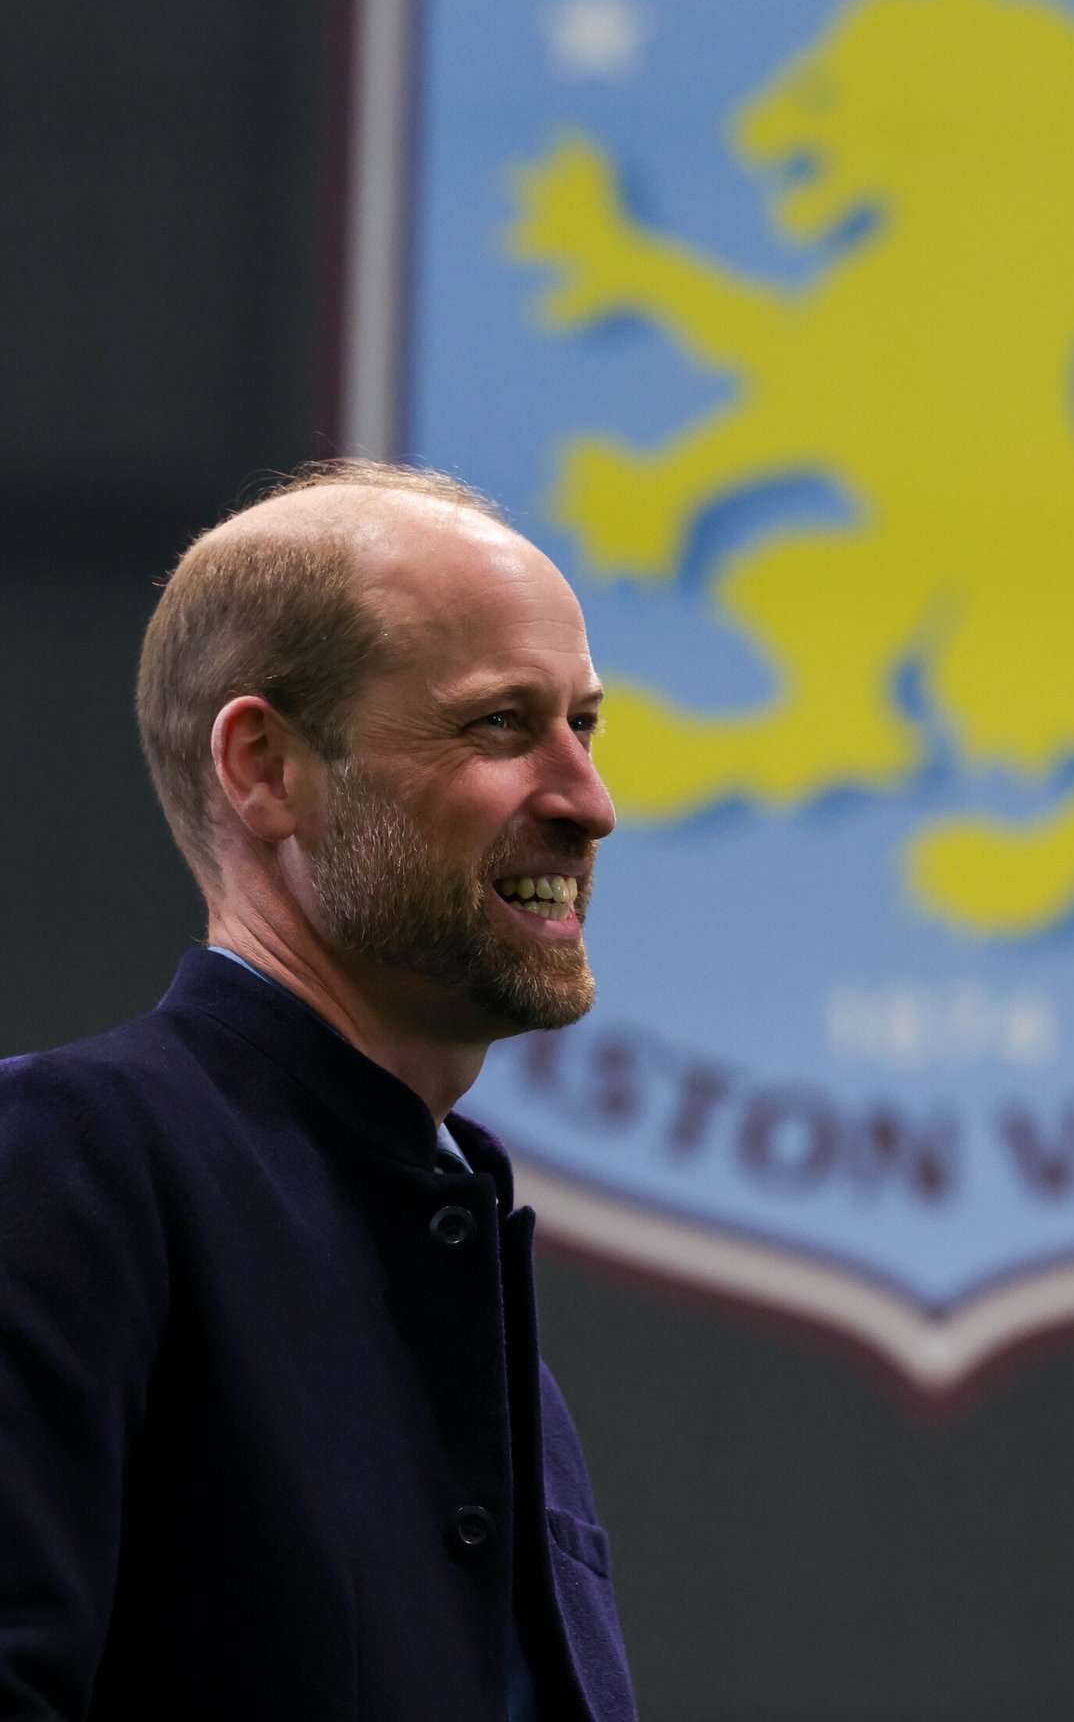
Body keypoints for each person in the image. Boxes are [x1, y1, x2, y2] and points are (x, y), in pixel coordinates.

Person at [0, 460, 637, 1721]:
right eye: (500, 724)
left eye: (585, 723)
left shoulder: (463, 1272)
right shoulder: (70, 1163)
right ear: (266, 767)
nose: (589, 801)